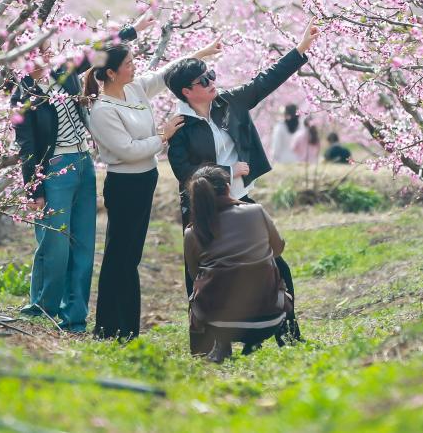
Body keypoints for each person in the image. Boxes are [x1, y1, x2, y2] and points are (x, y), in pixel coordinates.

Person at [166, 19, 319, 341]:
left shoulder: (228, 103)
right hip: (201, 205)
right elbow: (183, 171)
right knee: (200, 271)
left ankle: (289, 332)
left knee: (277, 265)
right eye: (203, 80)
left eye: (211, 75)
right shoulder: (180, 125)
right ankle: (203, 336)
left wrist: (300, 49)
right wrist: (227, 170)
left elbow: (265, 81)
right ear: (186, 92)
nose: (211, 81)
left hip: (237, 199)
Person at [12, 15, 151, 330]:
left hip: (83, 164)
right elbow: (27, 146)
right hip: (54, 170)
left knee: (84, 245)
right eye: (38, 51)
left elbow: (97, 50)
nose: (46, 55)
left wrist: (133, 30)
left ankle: (74, 317)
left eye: (47, 49)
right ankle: (43, 307)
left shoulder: (64, 71)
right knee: (55, 245)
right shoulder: (23, 95)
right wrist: (34, 188)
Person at [83, 35, 221, 340]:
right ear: (111, 73)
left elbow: (165, 74)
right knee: (120, 255)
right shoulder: (102, 110)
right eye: (129, 63)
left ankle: (123, 327)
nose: (134, 66)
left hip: (145, 180)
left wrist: (202, 53)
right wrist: (164, 136)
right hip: (124, 184)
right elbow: (128, 150)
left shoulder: (134, 88)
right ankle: (111, 327)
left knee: (130, 255)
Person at [183, 165, 292, 362]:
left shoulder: (192, 232)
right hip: (269, 319)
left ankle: (213, 348)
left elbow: (194, 274)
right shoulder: (256, 212)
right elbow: (278, 249)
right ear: (227, 187)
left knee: (202, 286)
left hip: (219, 325)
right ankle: (263, 340)